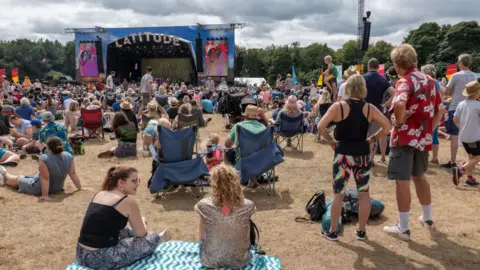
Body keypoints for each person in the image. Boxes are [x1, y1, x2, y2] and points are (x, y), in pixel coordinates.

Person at [318, 74, 391, 241]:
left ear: (348, 88)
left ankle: (333, 230)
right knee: (364, 194)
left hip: (343, 154)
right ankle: (361, 231)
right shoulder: (369, 108)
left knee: (339, 194)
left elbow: (321, 126)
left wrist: (330, 141)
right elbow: (387, 125)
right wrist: (372, 139)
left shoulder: (339, 106)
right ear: (363, 88)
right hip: (363, 154)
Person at [383, 44, 444, 240]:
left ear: (397, 64)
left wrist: (399, 121)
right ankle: (427, 218)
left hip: (404, 138)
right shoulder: (431, 81)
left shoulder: (404, 82)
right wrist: (431, 129)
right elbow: (441, 109)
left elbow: (400, 103)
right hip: (422, 138)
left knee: (402, 181)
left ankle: (403, 227)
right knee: (420, 176)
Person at [76, 166, 171, 269]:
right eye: (134, 181)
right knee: (151, 238)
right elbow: (141, 234)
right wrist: (143, 222)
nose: (137, 184)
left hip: (81, 255)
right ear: (121, 183)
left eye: (138, 180)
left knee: (125, 231)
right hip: (101, 259)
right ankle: (159, 238)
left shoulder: (99, 194)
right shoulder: (128, 202)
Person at [194, 164, 256, 269]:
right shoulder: (248, 206)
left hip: (211, 260)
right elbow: (247, 238)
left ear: (214, 184)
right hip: (239, 261)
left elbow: (201, 236)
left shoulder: (204, 205)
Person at [0, 136, 81, 199]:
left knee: (15, 179)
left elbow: (45, 178)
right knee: (28, 177)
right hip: (58, 188)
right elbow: (73, 174)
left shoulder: (44, 158)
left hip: (38, 188)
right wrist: (79, 188)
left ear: (48, 147)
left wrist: (45, 196)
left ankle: (3, 173)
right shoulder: (69, 155)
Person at [441, 54, 478, 169]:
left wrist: (451, 93)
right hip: (471, 107)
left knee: (454, 135)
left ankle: (452, 161)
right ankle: (471, 160)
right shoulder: (473, 75)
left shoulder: (456, 75)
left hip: (456, 106)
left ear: (461, 63)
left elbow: (446, 91)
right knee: (469, 133)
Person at [364, 58, 396, 164]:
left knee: (362, 134)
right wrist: (387, 104)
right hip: (377, 110)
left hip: (363, 110)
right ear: (378, 67)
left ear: (368, 66)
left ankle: (362, 158)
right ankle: (371, 159)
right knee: (373, 136)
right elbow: (395, 93)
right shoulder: (383, 80)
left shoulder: (362, 78)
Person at [451, 81, 480, 186]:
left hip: (463, 136)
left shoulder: (461, 104)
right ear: (477, 93)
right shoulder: (478, 105)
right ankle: (460, 170)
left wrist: (462, 127)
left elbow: (455, 119)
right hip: (475, 137)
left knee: (471, 158)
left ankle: (470, 178)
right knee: (477, 158)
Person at [421, 64, 444, 164]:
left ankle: (426, 155)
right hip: (436, 110)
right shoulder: (437, 82)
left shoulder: (427, 81)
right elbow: (441, 95)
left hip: (429, 110)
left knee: (426, 133)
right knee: (434, 134)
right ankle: (435, 157)